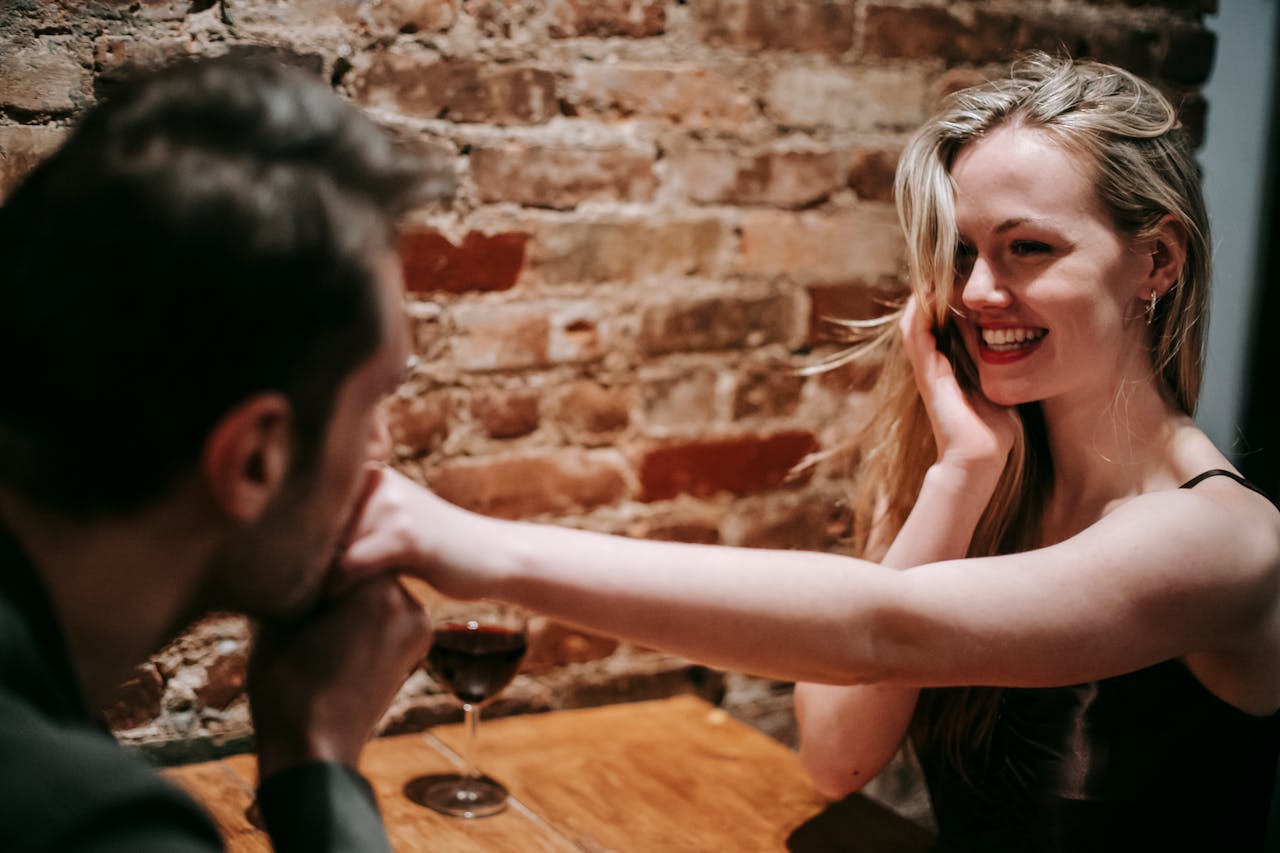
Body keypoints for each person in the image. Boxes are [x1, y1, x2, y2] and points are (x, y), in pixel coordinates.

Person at [339, 52, 1280, 851]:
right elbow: (838, 755)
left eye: (1027, 248)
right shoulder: (982, 471)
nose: (975, 291)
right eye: (959, 252)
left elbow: (879, 629)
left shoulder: (1222, 541)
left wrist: (474, 545)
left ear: (1157, 261)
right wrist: (958, 478)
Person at [0, 57, 433, 851]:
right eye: (372, 403)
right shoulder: (96, 827)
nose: (384, 451)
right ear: (255, 459)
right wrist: (318, 765)